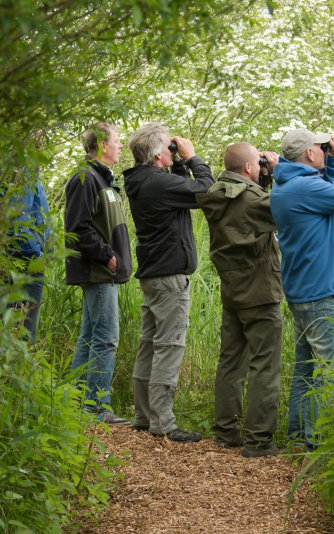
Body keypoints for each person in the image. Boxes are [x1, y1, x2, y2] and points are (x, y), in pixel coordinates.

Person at [270, 128, 334, 452]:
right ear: (311, 154)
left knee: (305, 369)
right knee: (330, 370)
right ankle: (319, 443)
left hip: (302, 292)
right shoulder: (306, 188)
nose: (324, 151)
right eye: (320, 148)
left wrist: (327, 164)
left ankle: (299, 437)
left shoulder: (287, 185)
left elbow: (323, 191)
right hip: (320, 296)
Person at [123, 123, 214, 443]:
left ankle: (144, 415)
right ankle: (163, 421)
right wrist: (192, 158)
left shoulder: (142, 180)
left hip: (153, 273)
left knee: (149, 344)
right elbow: (207, 191)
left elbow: (183, 191)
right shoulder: (158, 183)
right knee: (169, 346)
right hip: (170, 277)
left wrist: (177, 165)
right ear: (159, 154)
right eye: (169, 148)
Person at [196, 143, 283, 458]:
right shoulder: (255, 200)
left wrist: (266, 175)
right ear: (249, 168)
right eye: (258, 162)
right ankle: (258, 440)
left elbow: (251, 208)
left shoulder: (217, 196)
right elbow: (285, 209)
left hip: (232, 289)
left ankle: (226, 431)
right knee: (264, 365)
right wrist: (280, 172)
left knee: (231, 360)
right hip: (260, 291)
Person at [65, 123, 132, 425]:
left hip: (104, 271)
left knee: (90, 336)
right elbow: (78, 228)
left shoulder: (103, 180)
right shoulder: (85, 179)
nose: (121, 146)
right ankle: (95, 406)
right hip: (98, 271)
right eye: (117, 141)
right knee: (105, 338)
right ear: (103, 144)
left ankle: (74, 403)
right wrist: (109, 258)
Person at [0, 133, 51, 344]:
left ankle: (7, 373)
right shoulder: (22, 172)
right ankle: (10, 375)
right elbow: (17, 223)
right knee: (20, 335)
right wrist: (36, 256)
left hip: (22, 262)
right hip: (24, 265)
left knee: (14, 332)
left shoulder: (23, 173)